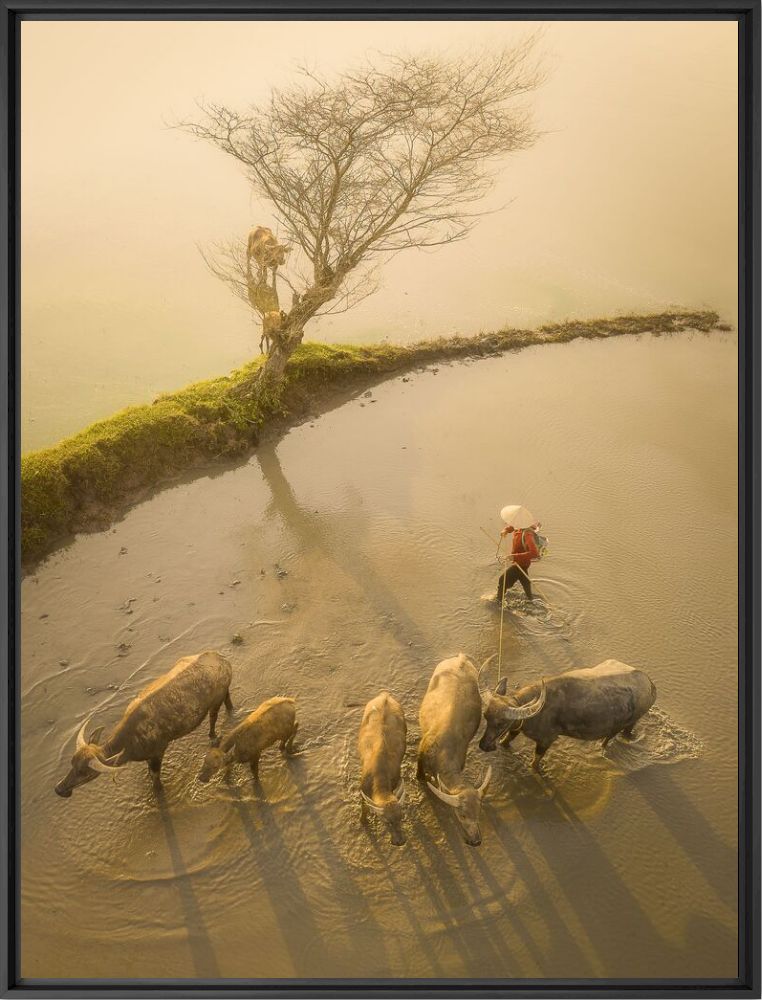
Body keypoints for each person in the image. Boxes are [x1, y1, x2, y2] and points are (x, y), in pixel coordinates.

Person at [496, 523, 541, 603]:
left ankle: (499, 603)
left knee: (502, 580)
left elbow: (534, 553)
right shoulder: (519, 526)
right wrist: (506, 530)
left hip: (520, 564)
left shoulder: (527, 534)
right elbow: (512, 527)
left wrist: (514, 557)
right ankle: (530, 600)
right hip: (520, 564)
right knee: (525, 582)